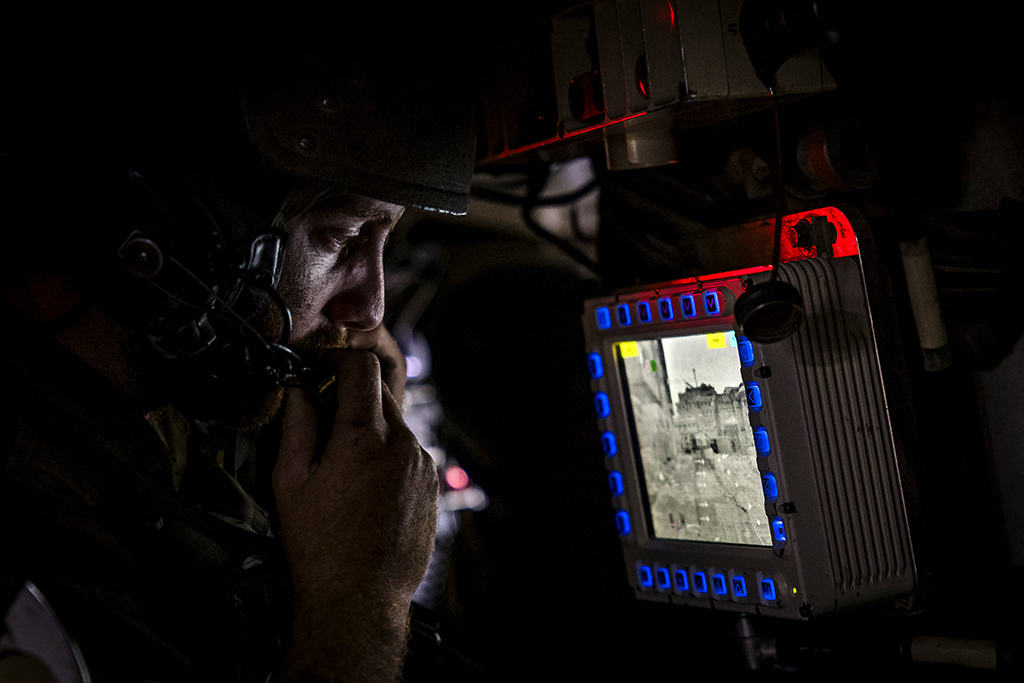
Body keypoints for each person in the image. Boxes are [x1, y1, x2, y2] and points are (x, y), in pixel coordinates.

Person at [0, 30, 477, 683]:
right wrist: (357, 606)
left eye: (382, 241)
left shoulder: (168, 411)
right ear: (162, 230)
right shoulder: (31, 531)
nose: (369, 310)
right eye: (338, 236)